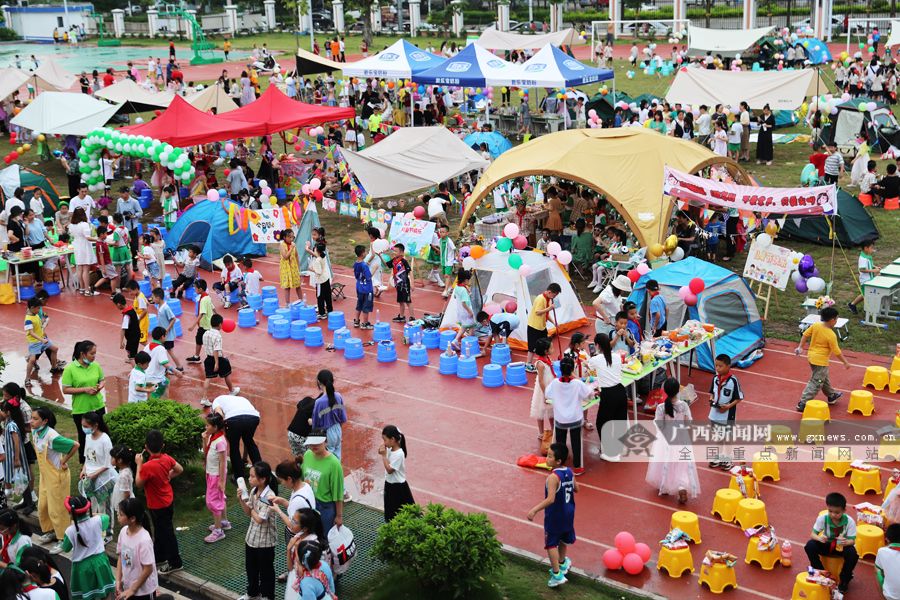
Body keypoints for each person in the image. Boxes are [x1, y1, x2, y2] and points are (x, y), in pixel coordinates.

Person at [526, 443, 576, 589]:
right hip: (569, 512)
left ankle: (557, 574)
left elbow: (551, 499)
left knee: (551, 544)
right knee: (563, 539)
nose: (546, 458)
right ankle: (562, 563)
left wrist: (534, 510)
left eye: (549, 456)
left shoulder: (553, 478)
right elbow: (576, 488)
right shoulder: (569, 471)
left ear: (558, 461)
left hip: (556, 515)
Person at [29, 407, 78, 554]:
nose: (31, 421)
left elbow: (75, 445)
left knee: (58, 508)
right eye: (31, 418)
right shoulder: (35, 431)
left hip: (57, 476)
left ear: (45, 421)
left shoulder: (52, 437)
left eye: (35, 419)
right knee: (43, 506)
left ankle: (63, 539)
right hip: (45, 476)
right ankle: (51, 531)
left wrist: (64, 461)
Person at [645, 378, 701, 505]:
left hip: (665, 440)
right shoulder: (684, 405)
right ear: (678, 391)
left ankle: (664, 486)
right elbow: (688, 421)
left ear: (664, 391)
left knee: (664, 462)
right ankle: (682, 486)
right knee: (682, 465)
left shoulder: (660, 407)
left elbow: (658, 423)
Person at [134, 429, 183, 575]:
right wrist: (168, 476)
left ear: (146, 447)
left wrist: (138, 465)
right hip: (168, 500)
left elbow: (139, 484)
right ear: (163, 445)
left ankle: (175, 562)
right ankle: (159, 556)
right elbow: (179, 469)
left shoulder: (147, 467)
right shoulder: (167, 459)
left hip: (156, 505)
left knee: (166, 532)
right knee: (161, 530)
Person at [544, 357, 593, 477]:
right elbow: (588, 395)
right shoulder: (577, 383)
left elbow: (547, 394)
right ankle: (577, 467)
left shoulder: (555, 383)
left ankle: (559, 465)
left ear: (560, 369)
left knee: (560, 443)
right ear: (573, 370)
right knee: (576, 442)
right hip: (575, 419)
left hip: (560, 419)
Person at [795, 306, 851, 411]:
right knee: (816, 381)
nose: (836, 321)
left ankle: (831, 395)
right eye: (836, 319)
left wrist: (800, 347)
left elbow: (805, 335)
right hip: (820, 361)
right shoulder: (831, 335)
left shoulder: (816, 325)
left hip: (811, 357)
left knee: (822, 377)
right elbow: (837, 351)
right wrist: (845, 362)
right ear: (831, 320)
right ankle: (803, 402)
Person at [236, 461, 278, 600]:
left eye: (252, 476)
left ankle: (267, 596)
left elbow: (260, 519)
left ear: (263, 479)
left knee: (266, 571)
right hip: (252, 538)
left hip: (265, 542)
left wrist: (251, 508)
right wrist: (242, 499)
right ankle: (252, 593)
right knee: (251, 568)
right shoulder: (254, 491)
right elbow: (248, 512)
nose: (249, 479)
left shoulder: (269, 497)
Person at [61, 495, 116, 600]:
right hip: (100, 562)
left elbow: (66, 548)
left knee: (87, 596)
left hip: (82, 568)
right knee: (105, 593)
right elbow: (106, 517)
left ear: (70, 513)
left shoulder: (70, 531)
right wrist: (92, 514)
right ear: (87, 509)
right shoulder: (98, 520)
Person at [804, 492, 858, 597]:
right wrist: (820, 538)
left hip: (842, 547)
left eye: (837, 512)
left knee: (853, 553)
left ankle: (845, 579)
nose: (833, 515)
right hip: (827, 545)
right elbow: (812, 534)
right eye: (830, 511)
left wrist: (846, 542)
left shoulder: (850, 522)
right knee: (810, 545)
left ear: (844, 510)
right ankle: (821, 572)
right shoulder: (823, 519)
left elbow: (853, 541)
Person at [60, 340, 106, 464]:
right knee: (85, 438)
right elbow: (65, 389)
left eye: (95, 354)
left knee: (102, 435)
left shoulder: (95, 365)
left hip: (98, 406)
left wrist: (100, 387)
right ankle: (85, 464)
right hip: (81, 410)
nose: (94, 357)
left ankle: (102, 460)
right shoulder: (70, 369)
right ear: (82, 354)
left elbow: (102, 380)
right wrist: (85, 390)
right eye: (92, 354)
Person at [587, 333, 628, 461]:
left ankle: (610, 452)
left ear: (597, 345)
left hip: (608, 394)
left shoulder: (595, 359)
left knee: (602, 422)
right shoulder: (616, 356)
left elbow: (588, 366)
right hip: (621, 391)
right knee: (619, 419)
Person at [78, 412, 115, 537]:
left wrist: (94, 474)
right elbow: (87, 457)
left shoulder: (105, 440)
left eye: (86, 426)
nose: (84, 428)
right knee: (92, 504)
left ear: (95, 425)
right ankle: (95, 529)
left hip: (103, 479)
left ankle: (108, 532)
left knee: (104, 506)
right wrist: (84, 470)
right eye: (83, 425)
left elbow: (108, 464)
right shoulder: (88, 437)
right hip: (90, 477)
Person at [301, 431, 344, 535]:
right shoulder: (307, 455)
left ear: (326, 442)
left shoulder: (334, 464)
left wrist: (339, 516)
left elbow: (338, 493)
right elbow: (302, 477)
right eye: (311, 443)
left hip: (325, 507)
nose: (314, 446)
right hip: (309, 502)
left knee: (325, 537)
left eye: (317, 443)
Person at [114, 497, 158, 600]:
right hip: (128, 587)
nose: (118, 516)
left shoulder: (144, 540)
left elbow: (148, 569)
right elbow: (122, 557)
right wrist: (118, 580)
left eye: (121, 514)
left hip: (143, 592)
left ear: (132, 519)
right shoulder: (123, 532)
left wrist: (133, 589)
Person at [211, 394, 261, 482]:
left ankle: (239, 477)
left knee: (234, 446)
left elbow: (220, 416)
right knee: (249, 442)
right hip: (253, 417)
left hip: (234, 419)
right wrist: (245, 458)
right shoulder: (242, 398)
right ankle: (261, 473)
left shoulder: (216, 400)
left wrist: (225, 433)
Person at [708, 354, 742, 470]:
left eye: (720, 366)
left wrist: (728, 406)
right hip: (714, 414)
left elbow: (739, 398)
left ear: (728, 366)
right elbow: (712, 392)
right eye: (716, 366)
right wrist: (711, 399)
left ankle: (727, 459)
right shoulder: (715, 378)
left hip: (727, 415)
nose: (717, 368)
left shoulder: (733, 381)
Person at [202, 412, 229, 544]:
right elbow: (205, 452)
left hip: (216, 475)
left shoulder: (220, 442)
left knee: (213, 501)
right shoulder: (212, 437)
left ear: (216, 427)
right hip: (211, 473)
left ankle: (218, 531)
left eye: (208, 425)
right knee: (220, 498)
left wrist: (222, 481)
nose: (205, 427)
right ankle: (224, 522)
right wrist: (204, 438)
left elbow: (223, 462)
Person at [380, 425, 414, 522]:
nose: (384, 442)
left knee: (405, 512)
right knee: (390, 512)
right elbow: (381, 451)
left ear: (393, 439)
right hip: (389, 484)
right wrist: (383, 450)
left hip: (398, 487)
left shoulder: (399, 454)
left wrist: (383, 456)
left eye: (385, 440)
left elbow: (390, 470)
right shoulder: (390, 448)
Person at [203, 314, 240, 402]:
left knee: (208, 378)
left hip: (208, 358)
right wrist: (217, 362)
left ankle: (204, 398)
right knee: (227, 374)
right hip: (217, 359)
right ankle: (232, 391)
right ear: (220, 324)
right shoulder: (218, 335)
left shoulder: (206, 333)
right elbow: (216, 350)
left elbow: (210, 347)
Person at [525, 283, 561, 372]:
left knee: (545, 344)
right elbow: (538, 312)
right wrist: (550, 308)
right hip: (534, 326)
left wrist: (554, 322)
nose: (554, 297)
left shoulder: (548, 299)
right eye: (554, 295)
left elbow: (545, 314)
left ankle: (545, 360)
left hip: (541, 326)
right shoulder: (540, 299)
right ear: (549, 292)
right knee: (532, 346)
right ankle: (528, 364)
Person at [24, 298, 61, 380]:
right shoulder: (28, 320)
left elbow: (38, 325)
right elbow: (31, 333)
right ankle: (27, 378)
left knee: (55, 349)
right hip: (34, 342)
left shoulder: (35, 314)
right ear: (32, 307)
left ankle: (54, 368)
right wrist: (42, 340)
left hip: (42, 338)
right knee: (32, 360)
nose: (39, 310)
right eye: (38, 308)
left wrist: (42, 330)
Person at [150, 288, 183, 373]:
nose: (152, 299)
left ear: (158, 298)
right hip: (162, 335)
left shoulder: (165, 308)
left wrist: (166, 330)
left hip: (166, 336)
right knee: (164, 351)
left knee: (169, 351)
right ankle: (165, 367)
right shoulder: (159, 306)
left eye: (153, 297)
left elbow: (173, 319)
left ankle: (179, 366)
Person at [69, 207, 97, 294]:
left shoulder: (71, 225)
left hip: (77, 246)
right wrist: (98, 239)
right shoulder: (84, 224)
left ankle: (82, 288)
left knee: (80, 268)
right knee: (86, 269)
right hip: (84, 246)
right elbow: (88, 237)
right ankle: (87, 290)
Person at [449, 269, 477, 354]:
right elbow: (464, 303)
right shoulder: (463, 290)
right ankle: (470, 344)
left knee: (464, 327)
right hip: (466, 311)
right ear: (465, 280)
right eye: (468, 280)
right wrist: (470, 312)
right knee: (472, 326)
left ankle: (455, 340)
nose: (469, 281)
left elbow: (455, 297)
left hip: (460, 311)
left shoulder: (458, 287)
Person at [848, 240, 879, 314]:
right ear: (866, 248)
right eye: (871, 248)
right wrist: (874, 271)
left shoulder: (867, 255)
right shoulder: (863, 258)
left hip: (869, 278)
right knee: (865, 294)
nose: (872, 249)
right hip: (865, 280)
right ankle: (853, 305)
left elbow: (869, 264)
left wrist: (875, 267)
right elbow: (862, 269)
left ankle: (856, 305)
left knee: (866, 294)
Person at [187, 279, 214, 363]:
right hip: (205, 325)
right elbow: (213, 307)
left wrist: (193, 325)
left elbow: (202, 313)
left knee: (208, 343)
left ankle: (213, 359)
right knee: (199, 340)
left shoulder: (203, 300)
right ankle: (196, 356)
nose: (194, 289)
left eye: (195, 288)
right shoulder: (207, 297)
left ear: (200, 289)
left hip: (206, 326)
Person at [113, 293, 141, 363]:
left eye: (116, 305)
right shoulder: (132, 309)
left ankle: (135, 366)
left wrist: (121, 342)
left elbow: (123, 329)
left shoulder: (126, 316)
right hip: (136, 334)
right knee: (129, 349)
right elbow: (138, 319)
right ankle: (132, 358)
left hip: (132, 337)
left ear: (119, 304)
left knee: (132, 354)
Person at [309, 243, 333, 320]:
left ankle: (322, 313)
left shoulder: (317, 261)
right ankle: (330, 310)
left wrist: (311, 269)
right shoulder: (323, 256)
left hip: (320, 281)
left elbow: (318, 272)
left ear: (318, 251)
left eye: (315, 249)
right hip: (326, 279)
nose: (314, 250)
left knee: (320, 297)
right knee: (327, 296)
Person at [876, 523, 900, 600]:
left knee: (877, 569)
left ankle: (884, 596)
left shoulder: (882, 551)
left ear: (887, 539)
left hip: (890, 596)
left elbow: (881, 571)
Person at [352, 245, 374, 329]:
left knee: (359, 304)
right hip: (367, 289)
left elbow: (357, 275)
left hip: (359, 287)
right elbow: (368, 277)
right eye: (365, 251)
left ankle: (356, 321)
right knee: (366, 306)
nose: (365, 253)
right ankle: (365, 323)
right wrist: (374, 269)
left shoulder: (356, 263)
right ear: (362, 254)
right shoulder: (364, 265)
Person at [390, 243, 413, 323]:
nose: (394, 252)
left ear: (401, 252)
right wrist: (380, 256)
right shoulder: (394, 260)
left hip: (405, 285)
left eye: (396, 251)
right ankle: (402, 316)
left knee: (408, 301)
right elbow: (387, 265)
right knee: (400, 301)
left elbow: (410, 272)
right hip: (398, 285)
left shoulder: (403, 261)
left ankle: (412, 318)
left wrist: (412, 284)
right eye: (394, 251)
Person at [279, 229, 302, 305]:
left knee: (298, 285)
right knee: (287, 287)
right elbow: (285, 256)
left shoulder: (293, 244)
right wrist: (291, 248)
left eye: (293, 237)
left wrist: (298, 268)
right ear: (285, 237)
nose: (291, 239)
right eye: (290, 237)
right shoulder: (282, 245)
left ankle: (301, 301)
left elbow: (296, 256)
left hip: (293, 268)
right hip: (285, 269)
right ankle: (287, 304)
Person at [109, 445, 134, 511]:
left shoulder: (124, 475)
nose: (110, 459)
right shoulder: (125, 470)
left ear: (119, 460)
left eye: (112, 457)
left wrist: (123, 509)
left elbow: (126, 494)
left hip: (124, 505)